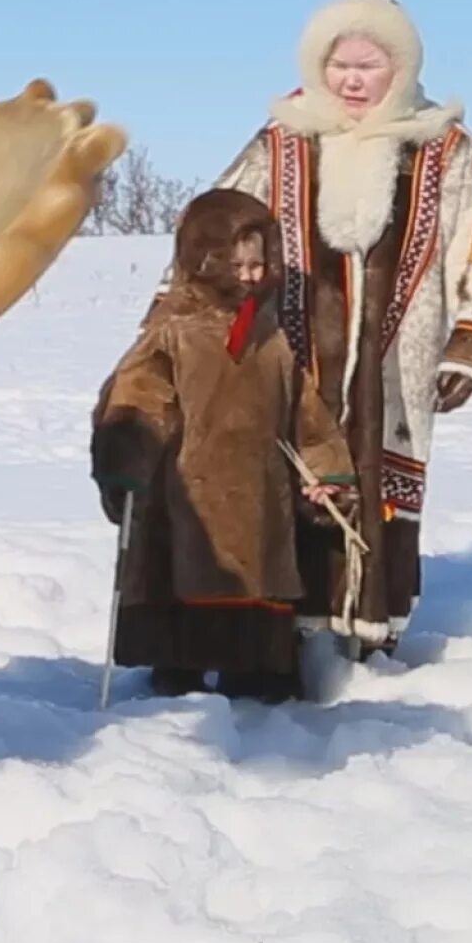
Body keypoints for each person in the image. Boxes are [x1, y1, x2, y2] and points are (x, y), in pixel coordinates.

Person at [212, 0, 472, 656]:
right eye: (340, 66)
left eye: (369, 65)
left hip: (398, 362)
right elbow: (213, 232)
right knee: (289, 469)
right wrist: (191, 318)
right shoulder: (282, 141)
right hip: (290, 353)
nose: (353, 81)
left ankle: (370, 628)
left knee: (379, 474)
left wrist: (471, 340)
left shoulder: (441, 148)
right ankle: (285, 631)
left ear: (401, 67)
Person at [93, 191, 355, 701]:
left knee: (254, 583)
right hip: (190, 498)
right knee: (191, 574)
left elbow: (307, 415)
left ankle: (255, 674)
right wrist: (125, 460)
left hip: (261, 503)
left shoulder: (270, 338)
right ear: (202, 259)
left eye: (260, 263)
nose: (252, 275)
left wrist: (328, 472)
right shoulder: (173, 331)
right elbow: (138, 400)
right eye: (238, 264)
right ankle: (177, 671)